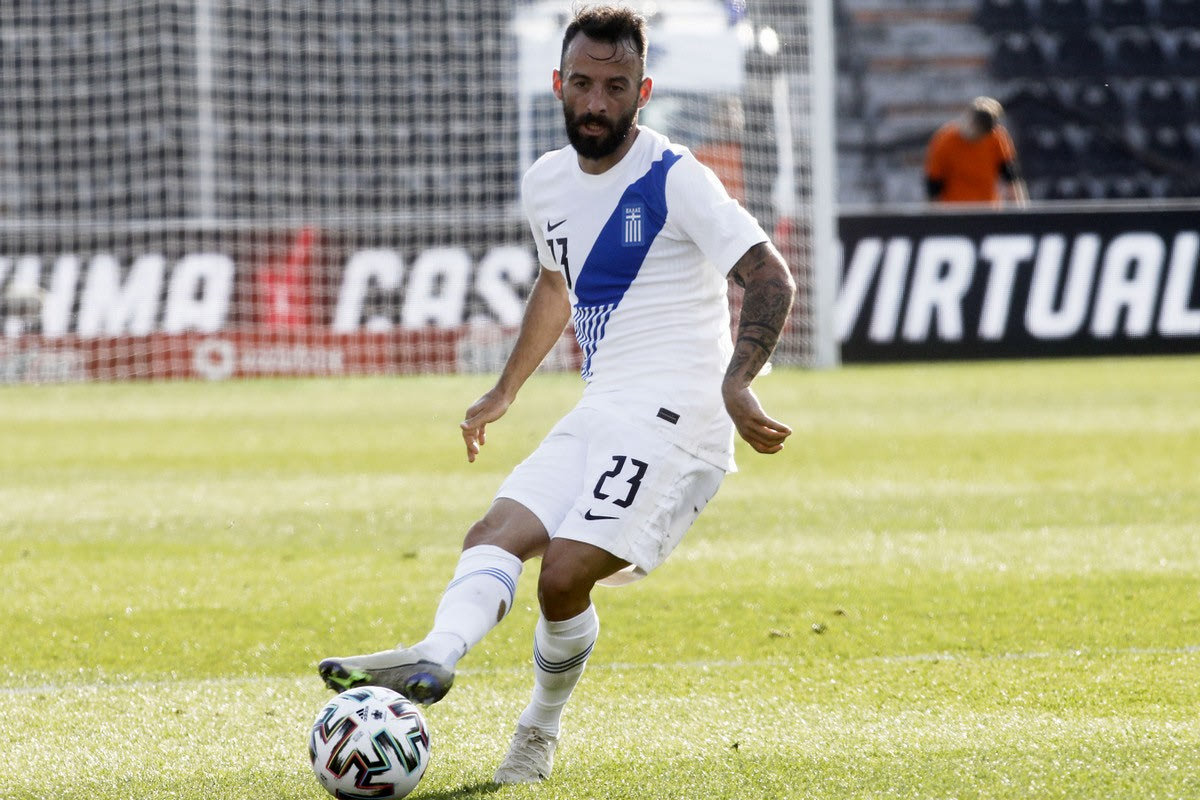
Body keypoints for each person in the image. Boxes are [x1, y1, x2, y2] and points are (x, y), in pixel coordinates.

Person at [318, 4, 796, 785]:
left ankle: (537, 732)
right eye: (582, 84)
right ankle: (434, 655)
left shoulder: (674, 177)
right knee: (492, 533)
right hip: (602, 406)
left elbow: (770, 275)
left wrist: (738, 382)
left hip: (679, 421)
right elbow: (554, 285)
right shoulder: (546, 181)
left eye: (615, 87)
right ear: (558, 83)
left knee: (563, 573)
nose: (596, 103)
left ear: (643, 91)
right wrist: (504, 390)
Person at [924, 96, 1029, 207]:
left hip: (987, 209)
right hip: (954, 211)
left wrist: (1022, 210)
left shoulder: (996, 138)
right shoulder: (944, 140)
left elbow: (1011, 178)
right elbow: (933, 185)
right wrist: (936, 214)